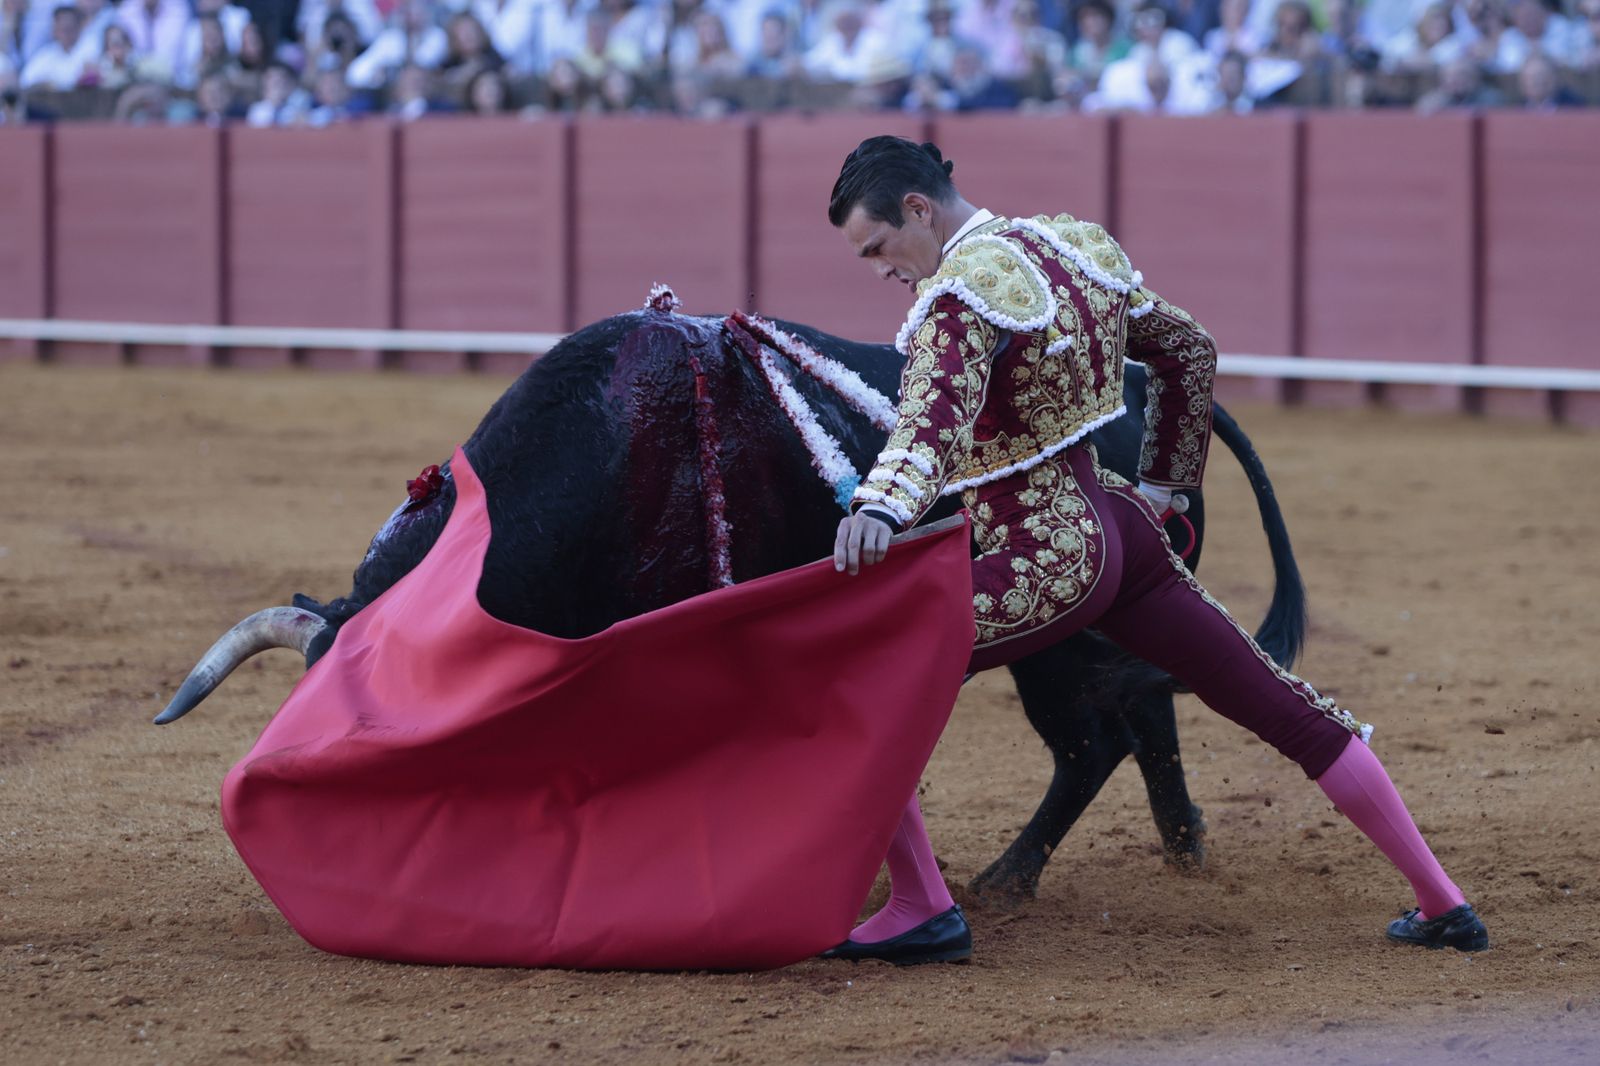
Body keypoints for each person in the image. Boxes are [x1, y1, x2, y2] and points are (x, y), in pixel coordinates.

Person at [823, 136, 1490, 964]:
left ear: (917, 209)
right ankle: (1443, 901)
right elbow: (1189, 350)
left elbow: (932, 421)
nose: (881, 269)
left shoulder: (958, 295)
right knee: (1287, 708)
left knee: (863, 673)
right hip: (1125, 530)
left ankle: (922, 905)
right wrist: (1167, 489)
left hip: (1043, 553)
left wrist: (880, 508)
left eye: (879, 246)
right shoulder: (1076, 248)